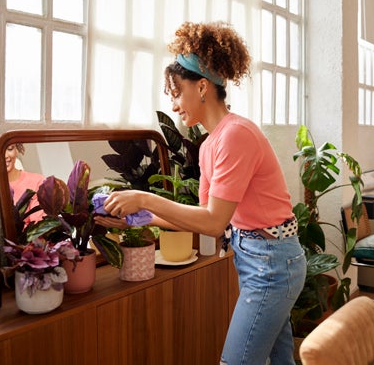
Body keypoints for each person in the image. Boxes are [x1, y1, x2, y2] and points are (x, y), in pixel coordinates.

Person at [97, 21, 306, 364]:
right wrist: (139, 219)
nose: (175, 105)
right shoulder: (210, 145)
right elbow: (202, 216)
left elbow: (213, 223)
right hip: (262, 260)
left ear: (203, 87)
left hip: (271, 263)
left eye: (177, 93)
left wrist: (145, 197)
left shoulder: (236, 135)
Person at [5, 143, 45, 225]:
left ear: (17, 150)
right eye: (1, 151)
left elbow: (38, 226)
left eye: (10, 149)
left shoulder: (37, 181)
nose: (5, 155)